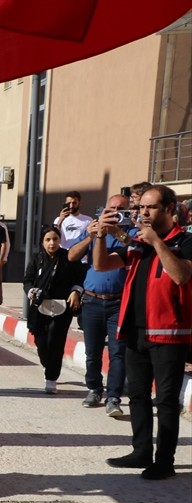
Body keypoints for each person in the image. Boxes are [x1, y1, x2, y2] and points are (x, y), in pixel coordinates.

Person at [96, 185, 191, 480]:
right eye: (141, 208)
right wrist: (100, 234)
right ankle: (140, 452)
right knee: (136, 395)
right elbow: (101, 264)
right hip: (135, 331)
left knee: (164, 400)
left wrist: (157, 242)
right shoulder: (137, 244)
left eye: (150, 208)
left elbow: (180, 275)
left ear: (169, 209)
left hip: (169, 335)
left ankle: (164, 461)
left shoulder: (185, 241)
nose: (143, 213)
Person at [66, 193, 130, 417]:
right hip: (92, 301)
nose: (114, 214)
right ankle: (94, 389)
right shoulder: (92, 229)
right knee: (92, 353)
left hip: (118, 302)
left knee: (117, 353)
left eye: (120, 210)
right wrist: (90, 236)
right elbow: (72, 256)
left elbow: (134, 247)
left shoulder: (130, 231)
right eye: (110, 210)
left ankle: (114, 397)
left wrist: (117, 232)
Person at [23, 226, 84, 394]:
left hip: (62, 307)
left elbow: (80, 277)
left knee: (55, 342)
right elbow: (28, 280)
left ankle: (51, 378)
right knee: (41, 342)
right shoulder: (37, 259)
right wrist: (31, 291)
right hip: (39, 307)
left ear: (60, 240)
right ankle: (48, 365)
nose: (52, 243)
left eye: (55, 239)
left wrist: (75, 291)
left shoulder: (69, 257)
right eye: (48, 240)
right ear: (42, 242)